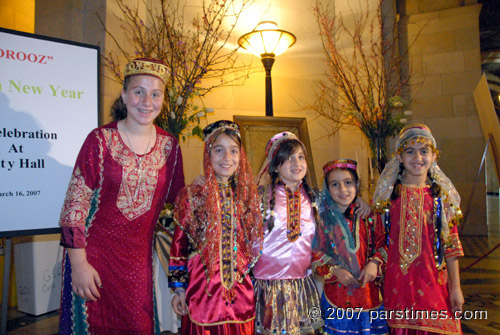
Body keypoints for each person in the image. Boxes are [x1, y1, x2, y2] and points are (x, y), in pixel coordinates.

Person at [58, 58, 185, 335]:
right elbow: (74, 207)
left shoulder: (169, 147)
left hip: (139, 265)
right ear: (125, 95)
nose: (146, 101)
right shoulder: (100, 140)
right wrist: (78, 265)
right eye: (138, 91)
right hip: (92, 261)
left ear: (163, 99)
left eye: (155, 94)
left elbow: (181, 208)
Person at [168, 120, 263, 334]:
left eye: (233, 151)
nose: (227, 158)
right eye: (219, 150)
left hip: (241, 293)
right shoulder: (193, 196)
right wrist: (178, 289)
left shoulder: (247, 197)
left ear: (241, 156)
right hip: (203, 294)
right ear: (208, 155)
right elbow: (178, 247)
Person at [372, 124, 464, 335]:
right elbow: (378, 242)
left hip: (434, 286)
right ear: (400, 157)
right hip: (398, 288)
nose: (418, 157)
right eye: (410, 151)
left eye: (424, 151)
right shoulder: (388, 200)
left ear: (434, 156)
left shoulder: (442, 200)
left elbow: (451, 247)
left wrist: (456, 288)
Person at [253, 131, 324, 335]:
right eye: (289, 157)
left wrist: (361, 203)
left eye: (301, 156)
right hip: (268, 287)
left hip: (304, 286)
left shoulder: (316, 198)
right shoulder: (259, 197)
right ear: (275, 165)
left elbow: (343, 207)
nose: (296, 162)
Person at [312, 159, 388, 335]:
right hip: (337, 296)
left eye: (348, 183)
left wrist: (374, 263)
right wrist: (335, 270)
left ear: (357, 184)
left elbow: (383, 244)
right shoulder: (322, 220)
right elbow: (315, 252)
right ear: (327, 188)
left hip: (369, 293)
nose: (343, 190)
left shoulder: (369, 216)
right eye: (335, 184)